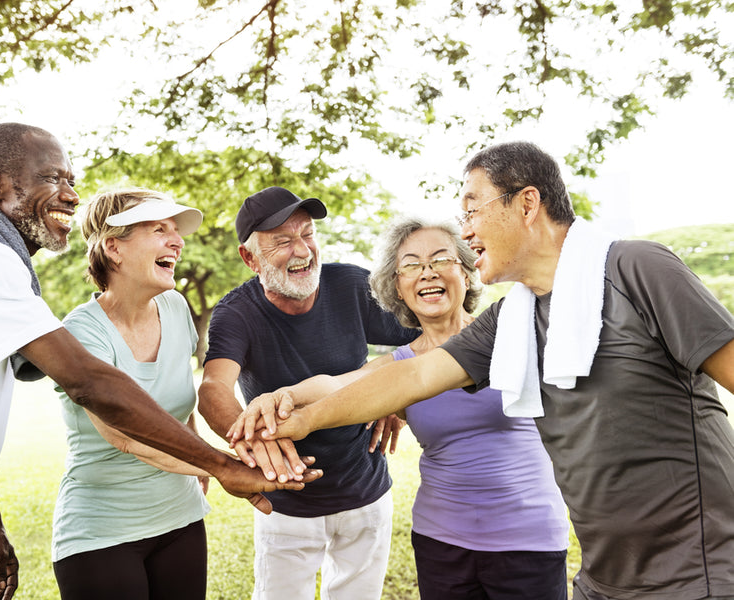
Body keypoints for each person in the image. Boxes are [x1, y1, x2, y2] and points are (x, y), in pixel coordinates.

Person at [0, 123, 319, 600]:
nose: (70, 195)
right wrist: (221, 465)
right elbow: (89, 383)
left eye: (71, 180)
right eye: (51, 178)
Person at [235, 142, 734, 600]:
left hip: (699, 573)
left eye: (472, 211)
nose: (467, 231)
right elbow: (411, 377)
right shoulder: (514, 318)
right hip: (604, 578)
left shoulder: (636, 268)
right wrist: (296, 415)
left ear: (527, 203)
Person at [198, 186, 417, 600]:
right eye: (282, 241)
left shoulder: (352, 285)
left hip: (365, 491)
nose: (301, 250)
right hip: (286, 501)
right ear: (249, 258)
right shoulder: (236, 312)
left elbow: (432, 336)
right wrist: (253, 440)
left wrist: (396, 398)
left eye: (307, 234)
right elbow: (213, 388)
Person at [51, 188, 213, 599]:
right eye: (159, 230)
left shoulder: (175, 308)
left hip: (181, 517)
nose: (177, 241)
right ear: (114, 248)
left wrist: (196, 460)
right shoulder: (81, 332)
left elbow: (178, 403)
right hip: (101, 531)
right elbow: (126, 435)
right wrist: (220, 465)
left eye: (175, 230)